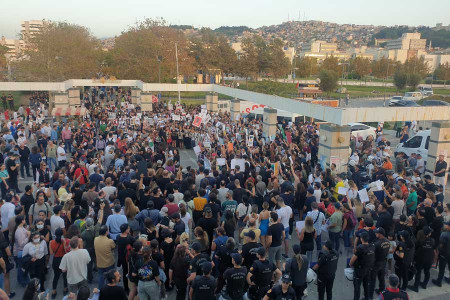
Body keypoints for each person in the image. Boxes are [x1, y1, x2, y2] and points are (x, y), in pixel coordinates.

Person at [410, 226, 434, 292]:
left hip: (420, 260)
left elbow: (416, 249)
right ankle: (424, 284)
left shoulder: (420, 242)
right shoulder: (432, 241)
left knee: (418, 273)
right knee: (427, 272)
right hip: (429, 260)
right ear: (429, 234)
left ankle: (416, 287)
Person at [369, 227, 390, 297]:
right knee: (381, 277)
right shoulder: (387, 241)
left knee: (372, 278)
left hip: (376, 263)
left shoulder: (376, 243)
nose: (375, 234)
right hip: (383, 262)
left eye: (376, 233)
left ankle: (370, 295)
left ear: (380, 234)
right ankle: (382, 290)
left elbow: (372, 254)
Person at [94, 225, 116, 289]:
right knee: (109, 278)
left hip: (100, 263)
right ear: (106, 232)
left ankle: (101, 291)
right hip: (109, 263)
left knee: (101, 277)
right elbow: (114, 247)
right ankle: (108, 290)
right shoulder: (110, 241)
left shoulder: (95, 239)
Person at [49, 228, 68, 298]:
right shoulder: (63, 241)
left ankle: (54, 291)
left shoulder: (51, 242)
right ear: (62, 234)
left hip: (55, 260)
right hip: (63, 260)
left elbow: (51, 253)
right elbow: (66, 252)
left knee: (56, 276)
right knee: (64, 276)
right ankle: (65, 288)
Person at [432, 220, 450, 287]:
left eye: (446, 224)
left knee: (441, 269)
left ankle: (439, 281)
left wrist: (438, 251)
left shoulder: (444, 234)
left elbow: (440, 246)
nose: (444, 225)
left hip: (444, 254)